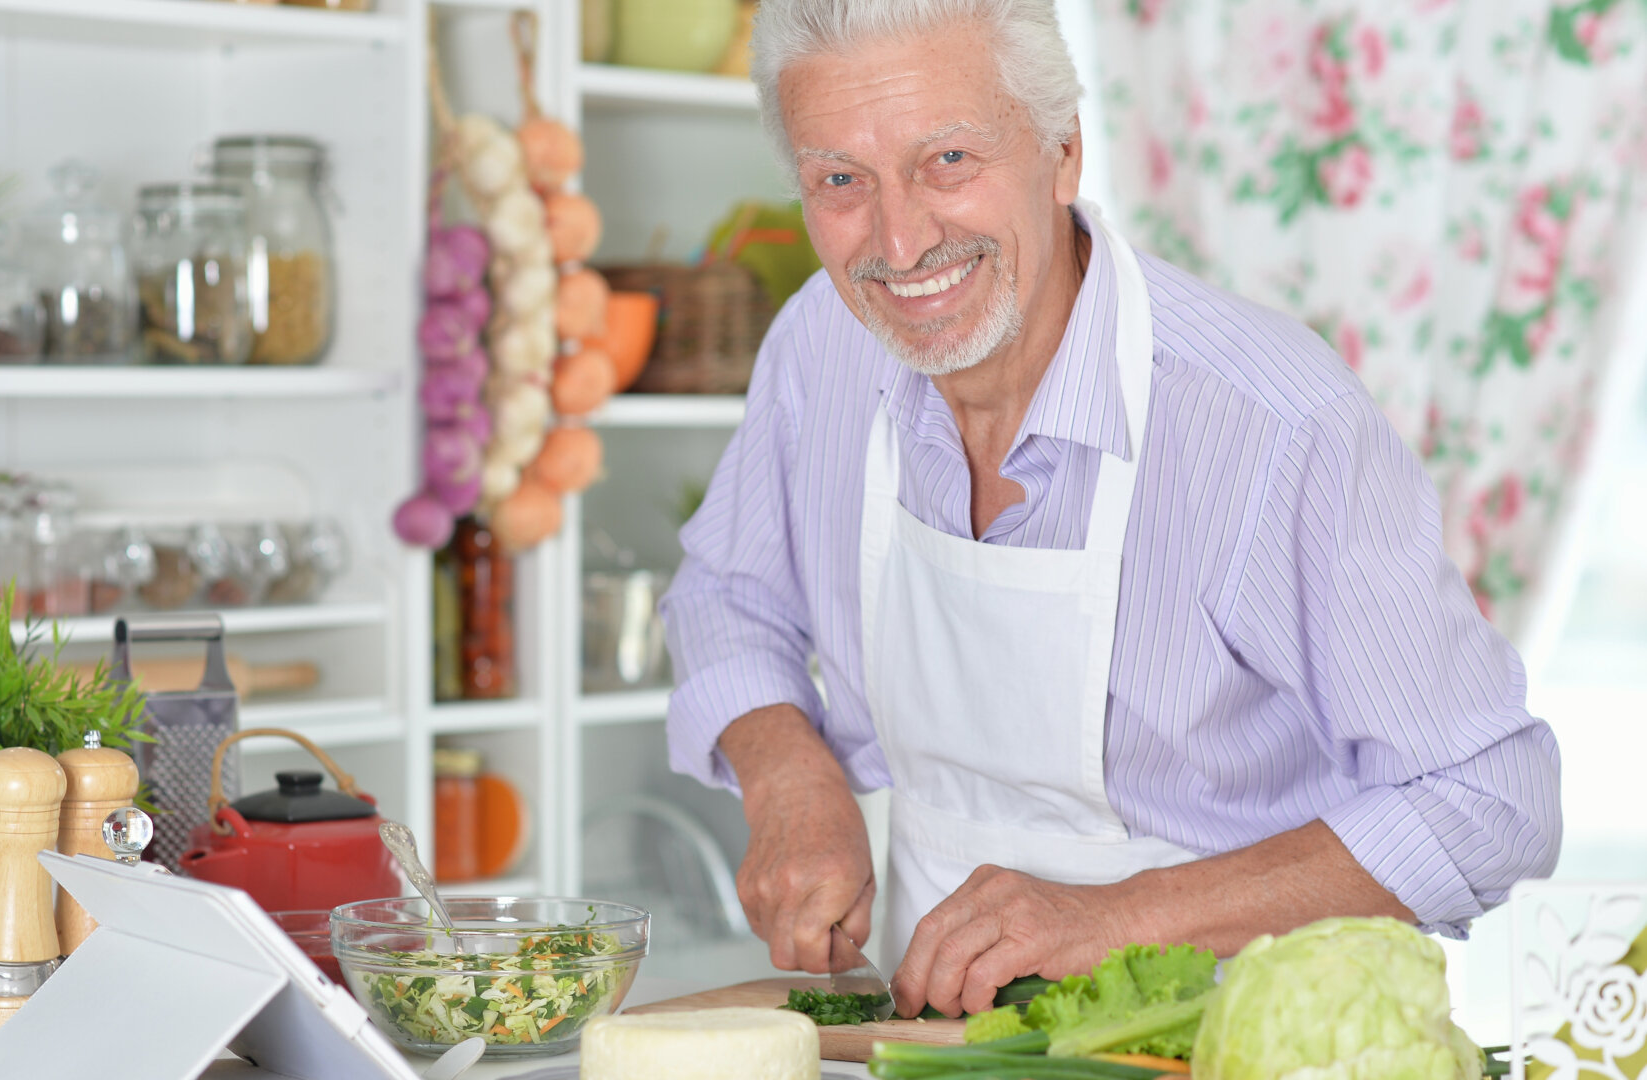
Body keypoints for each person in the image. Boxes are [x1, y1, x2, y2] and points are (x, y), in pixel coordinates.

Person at [658, 0, 1563, 1020]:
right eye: (840, 181)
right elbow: (727, 595)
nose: (900, 241)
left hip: (1230, 1036)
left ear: (1061, 154)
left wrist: (1113, 920)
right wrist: (787, 775)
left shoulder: (1272, 425)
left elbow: (1492, 797)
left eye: (949, 158)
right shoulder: (820, 346)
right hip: (932, 1036)